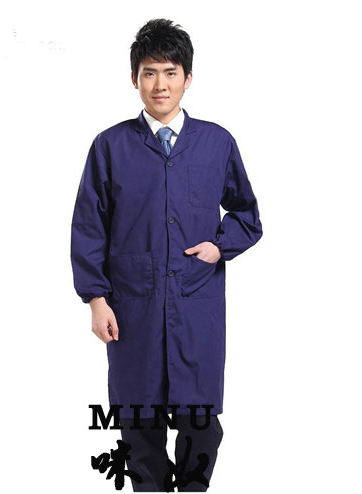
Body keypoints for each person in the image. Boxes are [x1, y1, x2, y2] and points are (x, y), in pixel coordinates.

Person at [71, 18, 263, 492]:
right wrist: (96, 299)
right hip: (131, 308)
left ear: (188, 78)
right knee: (139, 427)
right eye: (150, 72)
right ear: (134, 78)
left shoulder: (216, 143)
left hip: (196, 304)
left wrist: (220, 246)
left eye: (171, 72)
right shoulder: (110, 147)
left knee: (202, 424)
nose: (160, 84)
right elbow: (89, 227)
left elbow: (246, 214)